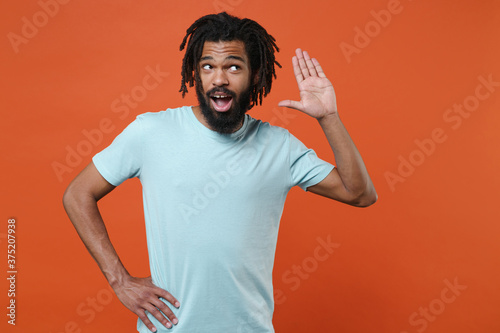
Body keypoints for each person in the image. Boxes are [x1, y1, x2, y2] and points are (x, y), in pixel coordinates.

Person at [63, 12, 377, 333]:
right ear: (196, 73)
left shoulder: (279, 146)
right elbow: (77, 193)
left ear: (255, 75)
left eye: (233, 67)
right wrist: (120, 280)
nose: (219, 79)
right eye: (208, 66)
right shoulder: (151, 132)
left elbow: (360, 193)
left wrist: (329, 118)